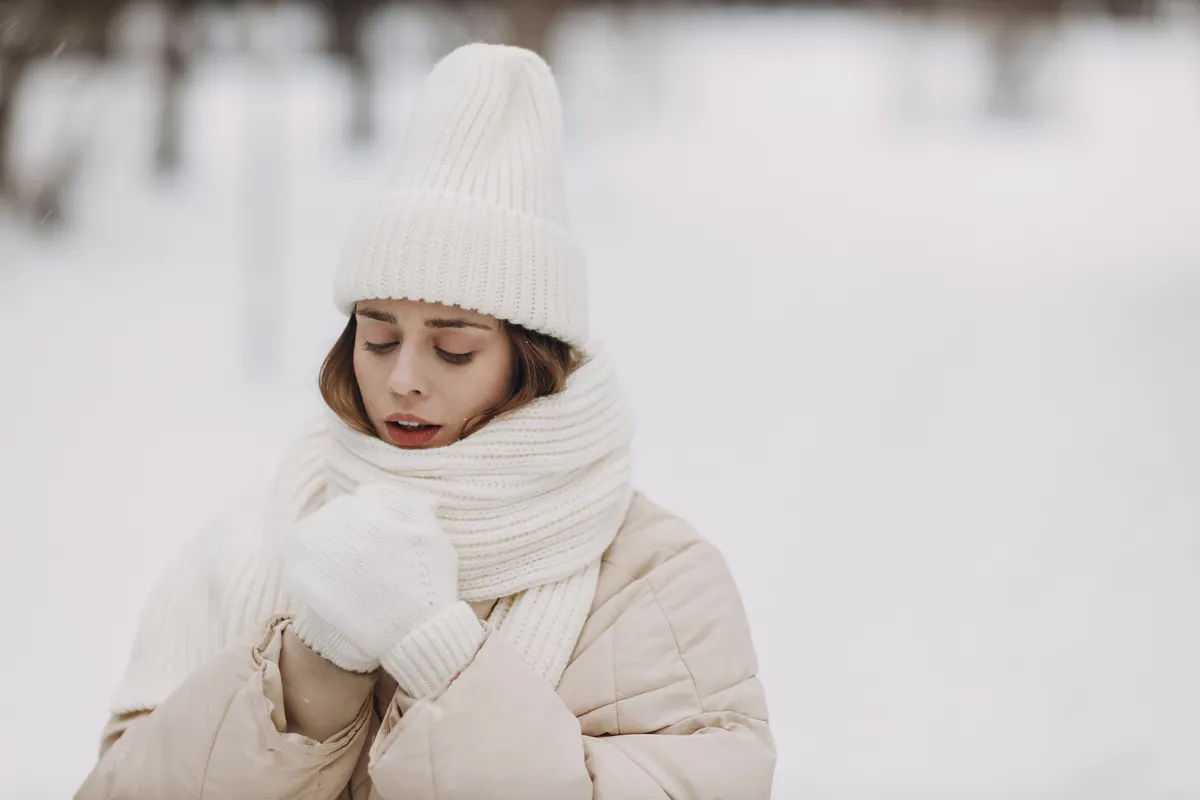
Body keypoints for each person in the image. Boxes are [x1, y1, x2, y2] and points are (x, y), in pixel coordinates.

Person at [76, 43, 774, 799]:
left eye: (452, 348)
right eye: (378, 338)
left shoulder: (654, 582)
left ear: (528, 359)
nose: (402, 379)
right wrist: (308, 674)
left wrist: (440, 657)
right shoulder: (257, 538)